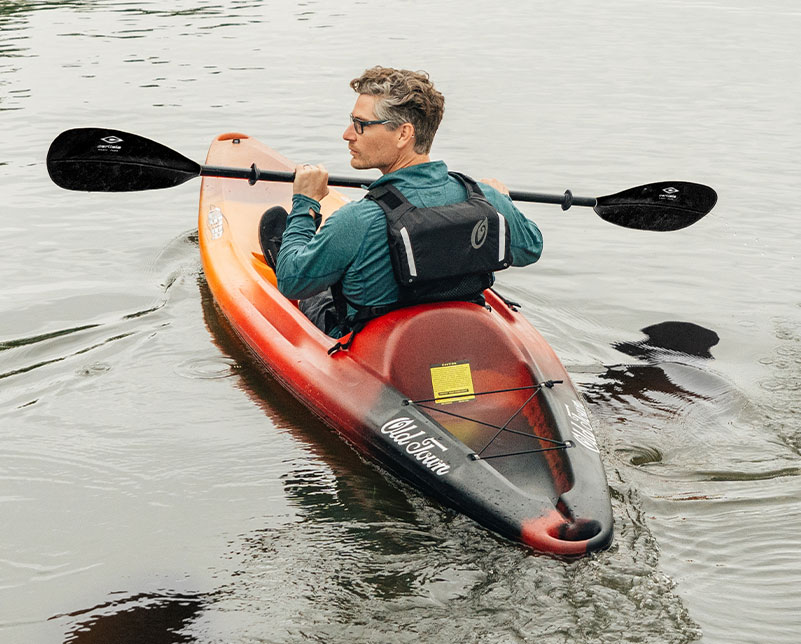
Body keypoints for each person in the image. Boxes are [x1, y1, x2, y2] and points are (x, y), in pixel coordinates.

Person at [272, 66, 543, 339]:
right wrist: (503, 202)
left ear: (403, 134)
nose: (347, 134)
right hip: (461, 335)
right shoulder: (486, 198)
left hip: (380, 352)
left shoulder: (357, 219)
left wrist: (305, 204)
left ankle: (289, 246)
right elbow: (531, 248)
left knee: (319, 289)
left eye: (361, 125)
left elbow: (290, 283)